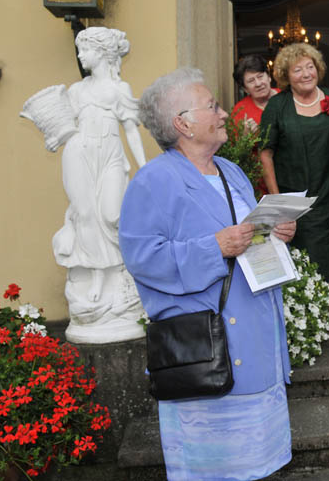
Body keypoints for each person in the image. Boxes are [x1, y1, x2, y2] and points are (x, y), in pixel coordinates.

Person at [119, 67, 297, 480]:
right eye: (212, 106)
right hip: (206, 348)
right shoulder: (153, 181)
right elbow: (143, 258)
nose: (223, 114)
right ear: (182, 124)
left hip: (256, 335)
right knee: (213, 469)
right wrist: (213, 248)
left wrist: (274, 232)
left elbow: (247, 237)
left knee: (259, 462)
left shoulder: (231, 171)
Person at [260, 43, 329, 339]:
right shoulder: (277, 106)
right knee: (300, 255)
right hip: (293, 198)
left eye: (310, 67)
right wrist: (278, 201)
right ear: (286, 75)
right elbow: (265, 153)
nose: (306, 73)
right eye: (297, 69)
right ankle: (303, 319)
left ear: (318, 69)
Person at [55, 27, 147, 303]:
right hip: (79, 155)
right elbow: (64, 128)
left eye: (85, 50)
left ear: (102, 52)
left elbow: (131, 131)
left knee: (112, 214)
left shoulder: (119, 89)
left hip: (110, 157)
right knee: (85, 215)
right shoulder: (77, 90)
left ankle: (125, 270)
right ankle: (97, 275)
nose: (81, 55)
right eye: (80, 49)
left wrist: (145, 168)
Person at [231, 54, 279, 132]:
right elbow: (234, 140)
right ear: (245, 89)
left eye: (260, 76)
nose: (258, 84)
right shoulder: (239, 112)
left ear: (269, 77)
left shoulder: (288, 96)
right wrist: (245, 136)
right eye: (251, 81)